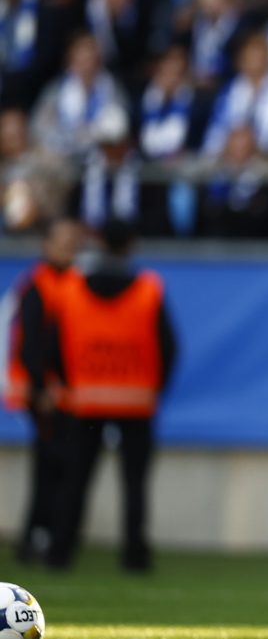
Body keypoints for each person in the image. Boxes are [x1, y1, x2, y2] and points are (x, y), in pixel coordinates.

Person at [47, 219, 178, 572]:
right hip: (137, 401)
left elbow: (54, 343)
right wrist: (154, 388)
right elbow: (169, 347)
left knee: (74, 481)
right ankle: (135, 556)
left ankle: (60, 552)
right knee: (134, 484)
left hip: (84, 400)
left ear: (99, 240)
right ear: (133, 243)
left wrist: (68, 383)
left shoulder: (71, 287)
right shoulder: (149, 288)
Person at [5, 217, 82, 564]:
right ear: (46, 246)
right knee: (50, 466)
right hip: (44, 393)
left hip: (64, 392)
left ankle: (49, 535)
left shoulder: (73, 283)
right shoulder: (37, 285)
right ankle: (37, 536)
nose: (68, 249)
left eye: (73, 242)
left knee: (61, 466)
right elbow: (31, 345)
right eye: (61, 241)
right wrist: (43, 387)